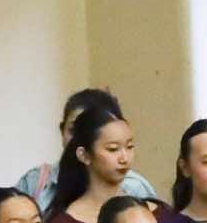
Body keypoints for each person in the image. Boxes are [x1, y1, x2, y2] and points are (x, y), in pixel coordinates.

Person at [44, 105, 169, 223]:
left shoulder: (160, 214)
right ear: (84, 155)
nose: (124, 158)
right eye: (113, 149)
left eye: (130, 147)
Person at [17, 88, 159, 212]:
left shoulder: (134, 187)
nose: (82, 139)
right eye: (74, 130)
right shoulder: (35, 182)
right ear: (61, 130)